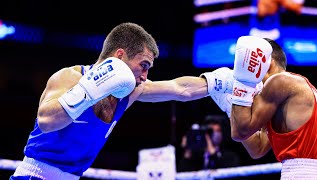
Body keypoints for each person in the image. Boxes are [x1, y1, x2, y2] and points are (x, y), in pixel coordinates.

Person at [9, 22, 229, 180]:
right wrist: (88, 90)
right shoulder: (70, 77)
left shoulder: (129, 92)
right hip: (34, 175)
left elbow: (179, 89)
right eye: (143, 65)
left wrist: (221, 81)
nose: (144, 75)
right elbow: (46, 121)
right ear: (120, 55)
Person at [210, 35, 317, 179]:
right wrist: (231, 106)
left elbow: (240, 132)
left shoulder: (280, 82)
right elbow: (258, 148)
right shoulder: (292, 96)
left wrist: (238, 91)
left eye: (250, 64)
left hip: (302, 174)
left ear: (267, 63)